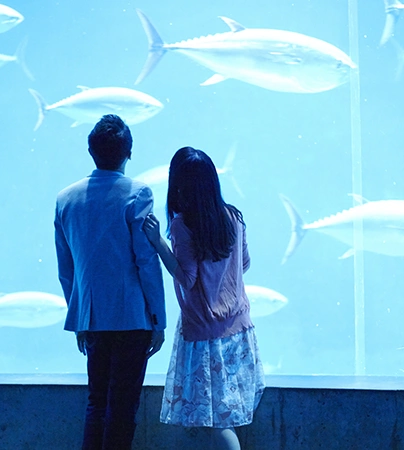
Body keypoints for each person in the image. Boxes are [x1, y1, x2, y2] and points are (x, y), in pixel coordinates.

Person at [54, 114, 167, 450]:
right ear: (128, 153)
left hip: (91, 317)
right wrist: (158, 319)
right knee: (122, 406)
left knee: (96, 402)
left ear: (91, 151)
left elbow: (66, 268)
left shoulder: (66, 199)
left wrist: (79, 318)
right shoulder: (138, 193)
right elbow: (146, 262)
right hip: (132, 318)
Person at [142, 146, 265, 450]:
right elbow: (245, 264)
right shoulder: (233, 217)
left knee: (218, 423)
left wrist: (158, 243)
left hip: (205, 337)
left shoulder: (184, 226)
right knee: (226, 417)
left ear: (178, 185)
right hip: (239, 331)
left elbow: (186, 277)